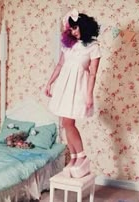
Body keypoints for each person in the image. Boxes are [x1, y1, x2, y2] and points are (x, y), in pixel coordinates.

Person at [45, 9, 101, 178]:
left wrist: (90, 95)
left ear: (84, 27)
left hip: (78, 88)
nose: (74, 32)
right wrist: (49, 82)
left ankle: (82, 156)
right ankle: (74, 157)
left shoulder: (93, 47)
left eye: (76, 28)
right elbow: (60, 65)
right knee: (64, 123)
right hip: (64, 87)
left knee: (69, 123)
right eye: (71, 29)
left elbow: (92, 74)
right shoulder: (68, 45)